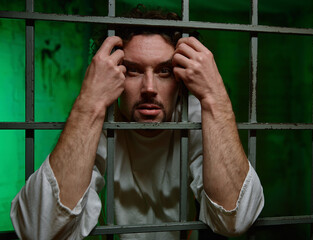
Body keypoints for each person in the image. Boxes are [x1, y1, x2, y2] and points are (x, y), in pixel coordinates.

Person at [10, 6, 264, 240]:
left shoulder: (192, 114)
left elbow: (235, 220)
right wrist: (89, 103)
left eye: (164, 71)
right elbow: (37, 229)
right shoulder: (100, 118)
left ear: (181, 79)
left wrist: (215, 98)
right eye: (133, 70)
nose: (149, 88)